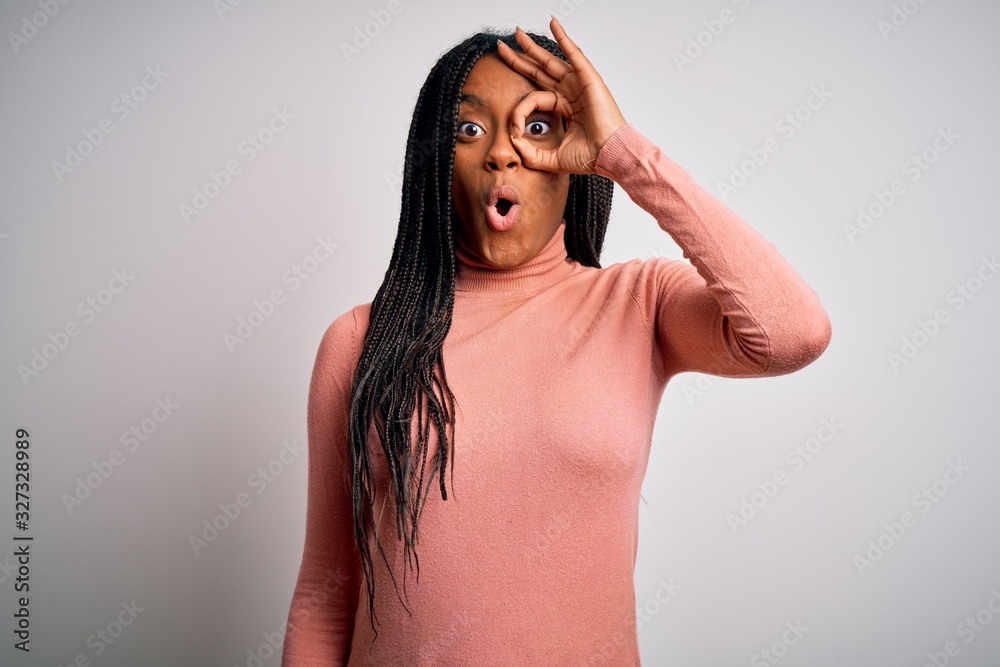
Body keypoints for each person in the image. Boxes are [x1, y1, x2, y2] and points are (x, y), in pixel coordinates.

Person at [280, 16, 831, 667]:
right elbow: (325, 593)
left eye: (537, 127)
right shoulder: (360, 340)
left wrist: (623, 152)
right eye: (469, 129)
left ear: (576, 158)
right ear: (435, 162)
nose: (501, 153)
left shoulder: (639, 303)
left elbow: (793, 334)